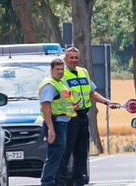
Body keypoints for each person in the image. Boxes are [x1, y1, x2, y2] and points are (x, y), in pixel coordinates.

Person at [60, 46, 124, 186]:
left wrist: (107, 102)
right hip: (69, 117)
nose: (73, 60)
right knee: (66, 151)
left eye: (76, 57)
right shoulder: (61, 73)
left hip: (83, 116)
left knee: (82, 151)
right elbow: (59, 95)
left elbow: (92, 92)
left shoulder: (83, 72)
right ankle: (64, 180)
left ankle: (79, 180)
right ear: (65, 59)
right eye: (71, 57)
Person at [39, 58, 75, 186]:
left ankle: (56, 182)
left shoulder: (59, 83)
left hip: (61, 123)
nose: (60, 71)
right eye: (57, 69)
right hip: (55, 123)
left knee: (59, 155)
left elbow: (60, 104)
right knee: (55, 156)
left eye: (62, 69)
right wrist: (51, 128)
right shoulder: (50, 85)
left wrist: (72, 106)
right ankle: (47, 182)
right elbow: (46, 107)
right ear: (51, 70)